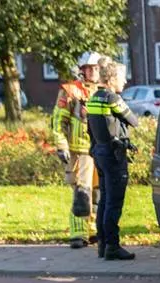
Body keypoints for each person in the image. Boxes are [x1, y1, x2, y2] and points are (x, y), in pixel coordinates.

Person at [86, 62, 139, 261]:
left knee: (104, 201)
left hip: (99, 153)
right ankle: (113, 246)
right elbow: (133, 120)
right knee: (114, 203)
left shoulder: (93, 99)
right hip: (115, 155)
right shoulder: (112, 98)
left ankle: (103, 245)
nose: (124, 81)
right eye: (121, 77)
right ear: (111, 79)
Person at [50, 52, 101, 249]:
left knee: (98, 194)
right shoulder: (70, 91)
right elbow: (58, 121)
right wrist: (61, 145)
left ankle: (94, 230)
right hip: (79, 151)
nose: (94, 71)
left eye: (96, 68)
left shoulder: (103, 90)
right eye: (90, 68)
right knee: (82, 193)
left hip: (99, 150)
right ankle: (78, 234)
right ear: (82, 70)